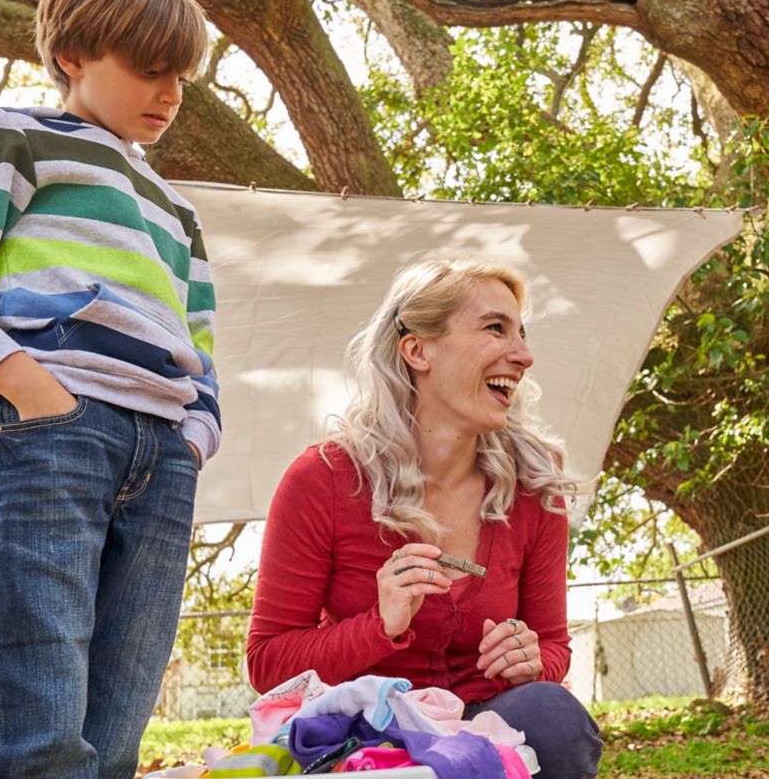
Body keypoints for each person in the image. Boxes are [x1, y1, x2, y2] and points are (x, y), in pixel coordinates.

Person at [0, 0, 217, 779]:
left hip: (163, 454)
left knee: (121, 713)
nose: (169, 94)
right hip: (57, 431)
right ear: (73, 55)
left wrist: (194, 435)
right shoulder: (14, 137)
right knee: (33, 705)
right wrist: (27, 384)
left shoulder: (176, 208)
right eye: (148, 69)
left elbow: (198, 334)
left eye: (181, 76)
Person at [246, 260, 603, 779]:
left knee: (551, 714)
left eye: (521, 334)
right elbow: (268, 663)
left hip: (488, 728)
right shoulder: (322, 479)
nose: (523, 355)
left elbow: (552, 646)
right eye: (495, 328)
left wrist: (532, 660)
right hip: (364, 729)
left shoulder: (535, 492)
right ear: (418, 350)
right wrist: (379, 626)